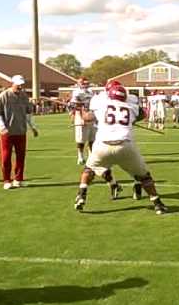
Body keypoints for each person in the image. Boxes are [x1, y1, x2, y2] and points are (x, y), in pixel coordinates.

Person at [74, 81, 167, 215]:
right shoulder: (131, 107)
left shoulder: (102, 104)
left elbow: (87, 118)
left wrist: (79, 109)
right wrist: (131, 120)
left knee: (89, 170)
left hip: (103, 145)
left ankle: (81, 194)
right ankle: (157, 204)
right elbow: (142, 114)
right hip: (125, 146)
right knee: (145, 177)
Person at [0, 75, 39, 190]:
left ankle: (18, 179)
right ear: (12, 83)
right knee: (6, 157)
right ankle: (7, 180)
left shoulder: (24, 96)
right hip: (7, 132)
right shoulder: (4, 96)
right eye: (18, 84)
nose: (20, 86)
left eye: (22, 84)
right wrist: (2, 127)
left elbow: (28, 114)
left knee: (21, 157)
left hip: (21, 131)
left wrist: (33, 127)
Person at [70, 77, 95, 165]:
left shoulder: (91, 91)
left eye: (86, 83)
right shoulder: (76, 92)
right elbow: (75, 106)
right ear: (79, 84)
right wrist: (82, 117)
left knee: (92, 138)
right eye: (83, 83)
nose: (85, 85)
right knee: (81, 138)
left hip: (91, 115)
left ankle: (91, 156)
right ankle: (80, 156)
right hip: (81, 115)